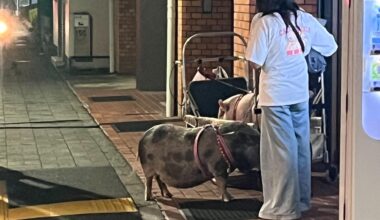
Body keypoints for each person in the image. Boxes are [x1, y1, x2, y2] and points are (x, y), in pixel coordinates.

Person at [245, 0, 338, 219]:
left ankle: (283, 208)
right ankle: (302, 200)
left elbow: (255, 62)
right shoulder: (304, 18)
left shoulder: (265, 22)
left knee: (280, 152)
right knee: (300, 148)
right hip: (299, 93)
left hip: (275, 95)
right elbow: (330, 45)